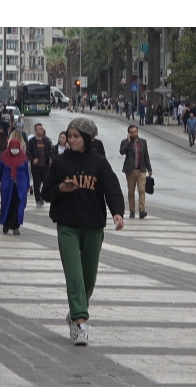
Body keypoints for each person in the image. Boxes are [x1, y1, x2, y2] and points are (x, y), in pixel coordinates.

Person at [41, 117, 125, 346]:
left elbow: (112, 188)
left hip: (93, 224)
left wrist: (117, 212)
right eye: (69, 136)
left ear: (87, 138)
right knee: (74, 275)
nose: (72, 140)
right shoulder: (59, 162)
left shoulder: (99, 163)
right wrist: (60, 188)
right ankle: (80, 323)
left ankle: (75, 311)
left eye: (76, 136)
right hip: (67, 224)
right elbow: (46, 192)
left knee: (88, 277)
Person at [0, 139, 30, 235]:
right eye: (13, 148)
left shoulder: (23, 158)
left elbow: (27, 173)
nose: (15, 149)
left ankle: (16, 226)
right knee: (7, 204)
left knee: (19, 206)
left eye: (17, 148)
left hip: (21, 186)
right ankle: (6, 224)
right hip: (7, 186)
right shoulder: (4, 158)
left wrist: (28, 186)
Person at [119, 125, 152, 219]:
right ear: (129, 133)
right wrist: (128, 142)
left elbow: (146, 156)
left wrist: (149, 169)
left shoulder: (143, 142)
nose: (134, 134)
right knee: (131, 192)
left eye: (135, 132)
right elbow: (122, 152)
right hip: (130, 170)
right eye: (132, 132)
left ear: (137, 132)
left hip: (141, 169)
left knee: (141, 190)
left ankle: (142, 210)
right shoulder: (125, 142)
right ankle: (132, 211)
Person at [26, 123, 53, 208]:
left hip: (45, 166)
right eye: (39, 129)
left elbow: (51, 150)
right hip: (36, 166)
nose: (42, 130)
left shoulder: (46, 140)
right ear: (35, 130)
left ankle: (41, 195)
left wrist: (51, 158)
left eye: (42, 128)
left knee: (46, 183)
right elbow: (28, 152)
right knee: (36, 184)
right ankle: (38, 200)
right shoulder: (32, 141)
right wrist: (32, 159)